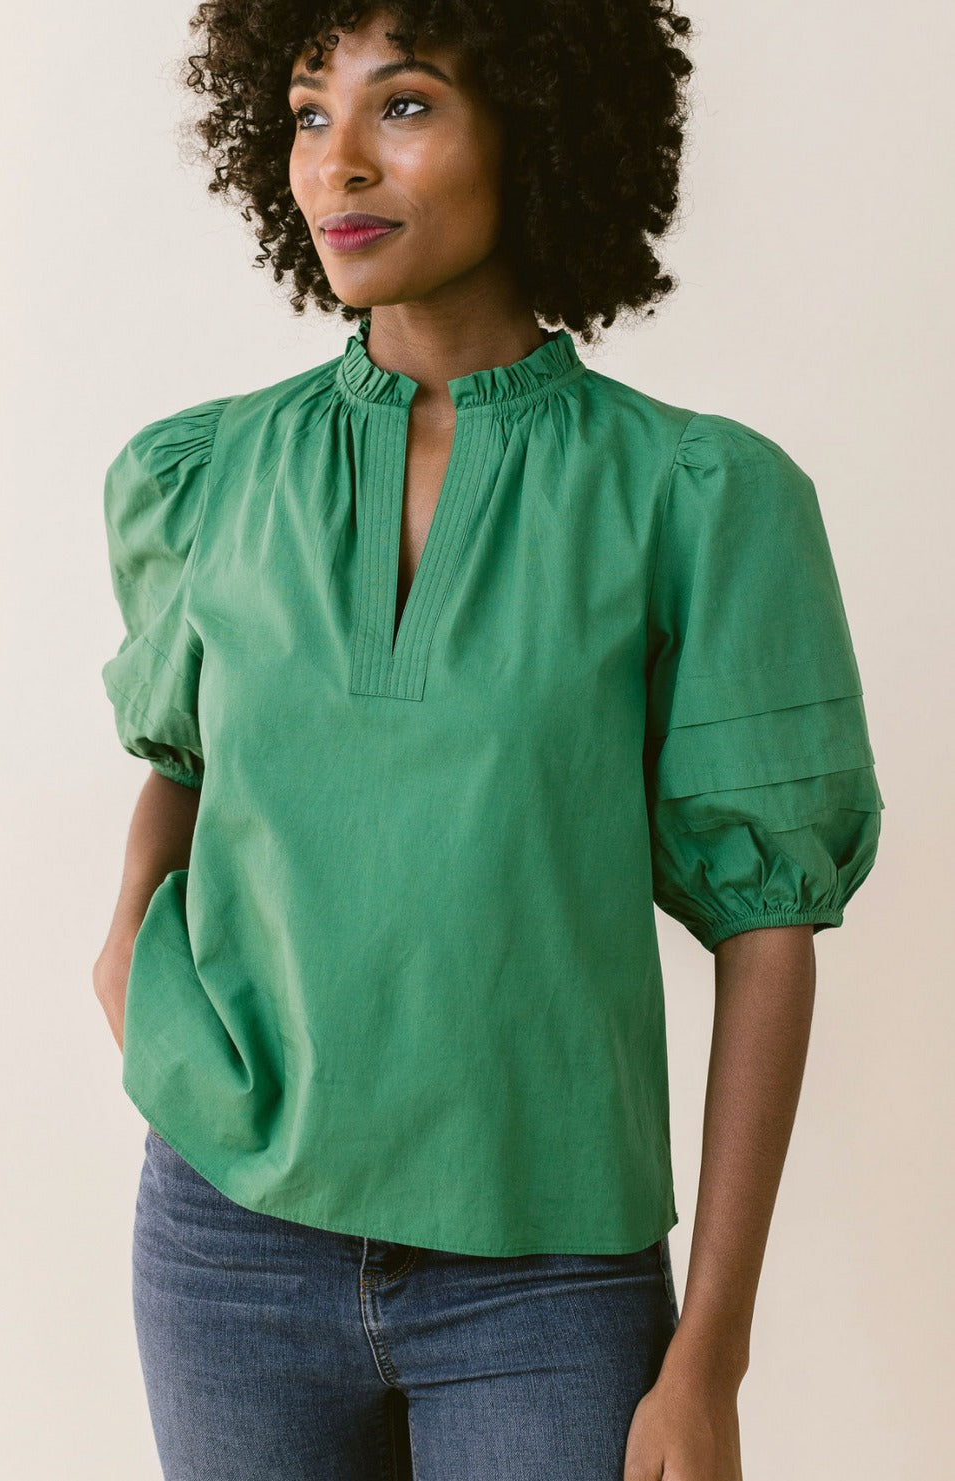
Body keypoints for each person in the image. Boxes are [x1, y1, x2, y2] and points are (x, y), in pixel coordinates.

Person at [92, 3, 884, 1477]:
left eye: (402, 107)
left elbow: (767, 929)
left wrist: (708, 1356)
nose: (339, 165)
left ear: (539, 122)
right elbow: (186, 753)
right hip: (229, 1250)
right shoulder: (209, 477)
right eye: (308, 113)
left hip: (545, 1279)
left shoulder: (694, 498)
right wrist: (126, 945)